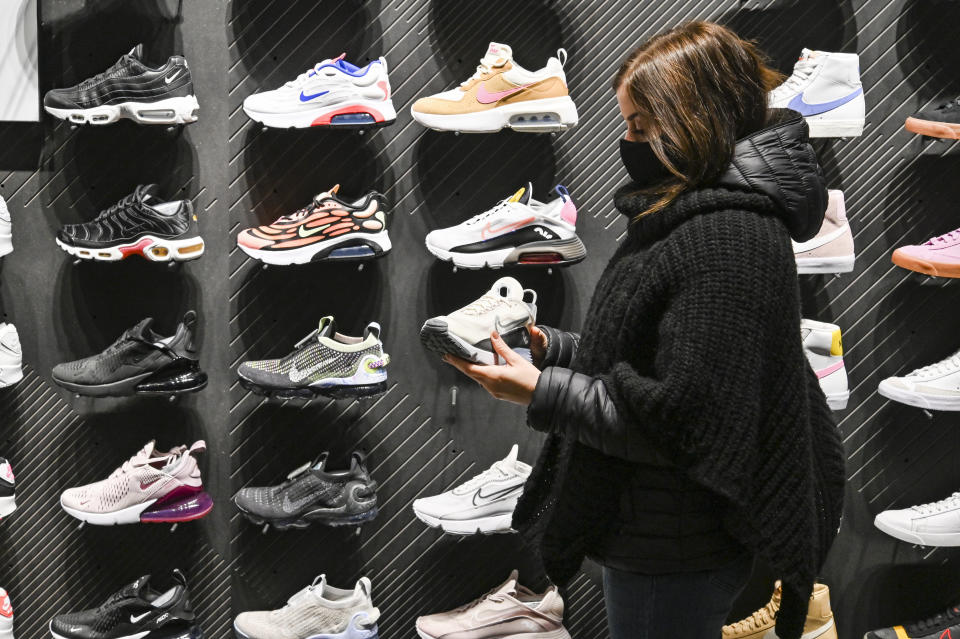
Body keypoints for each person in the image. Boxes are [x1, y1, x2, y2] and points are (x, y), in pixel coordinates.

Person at [441, 21, 846, 639]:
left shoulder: (726, 234)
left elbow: (681, 422)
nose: (628, 141)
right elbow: (663, 354)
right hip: (660, 529)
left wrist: (540, 390)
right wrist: (561, 350)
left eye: (639, 125)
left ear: (695, 119)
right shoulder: (692, 211)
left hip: (675, 544)